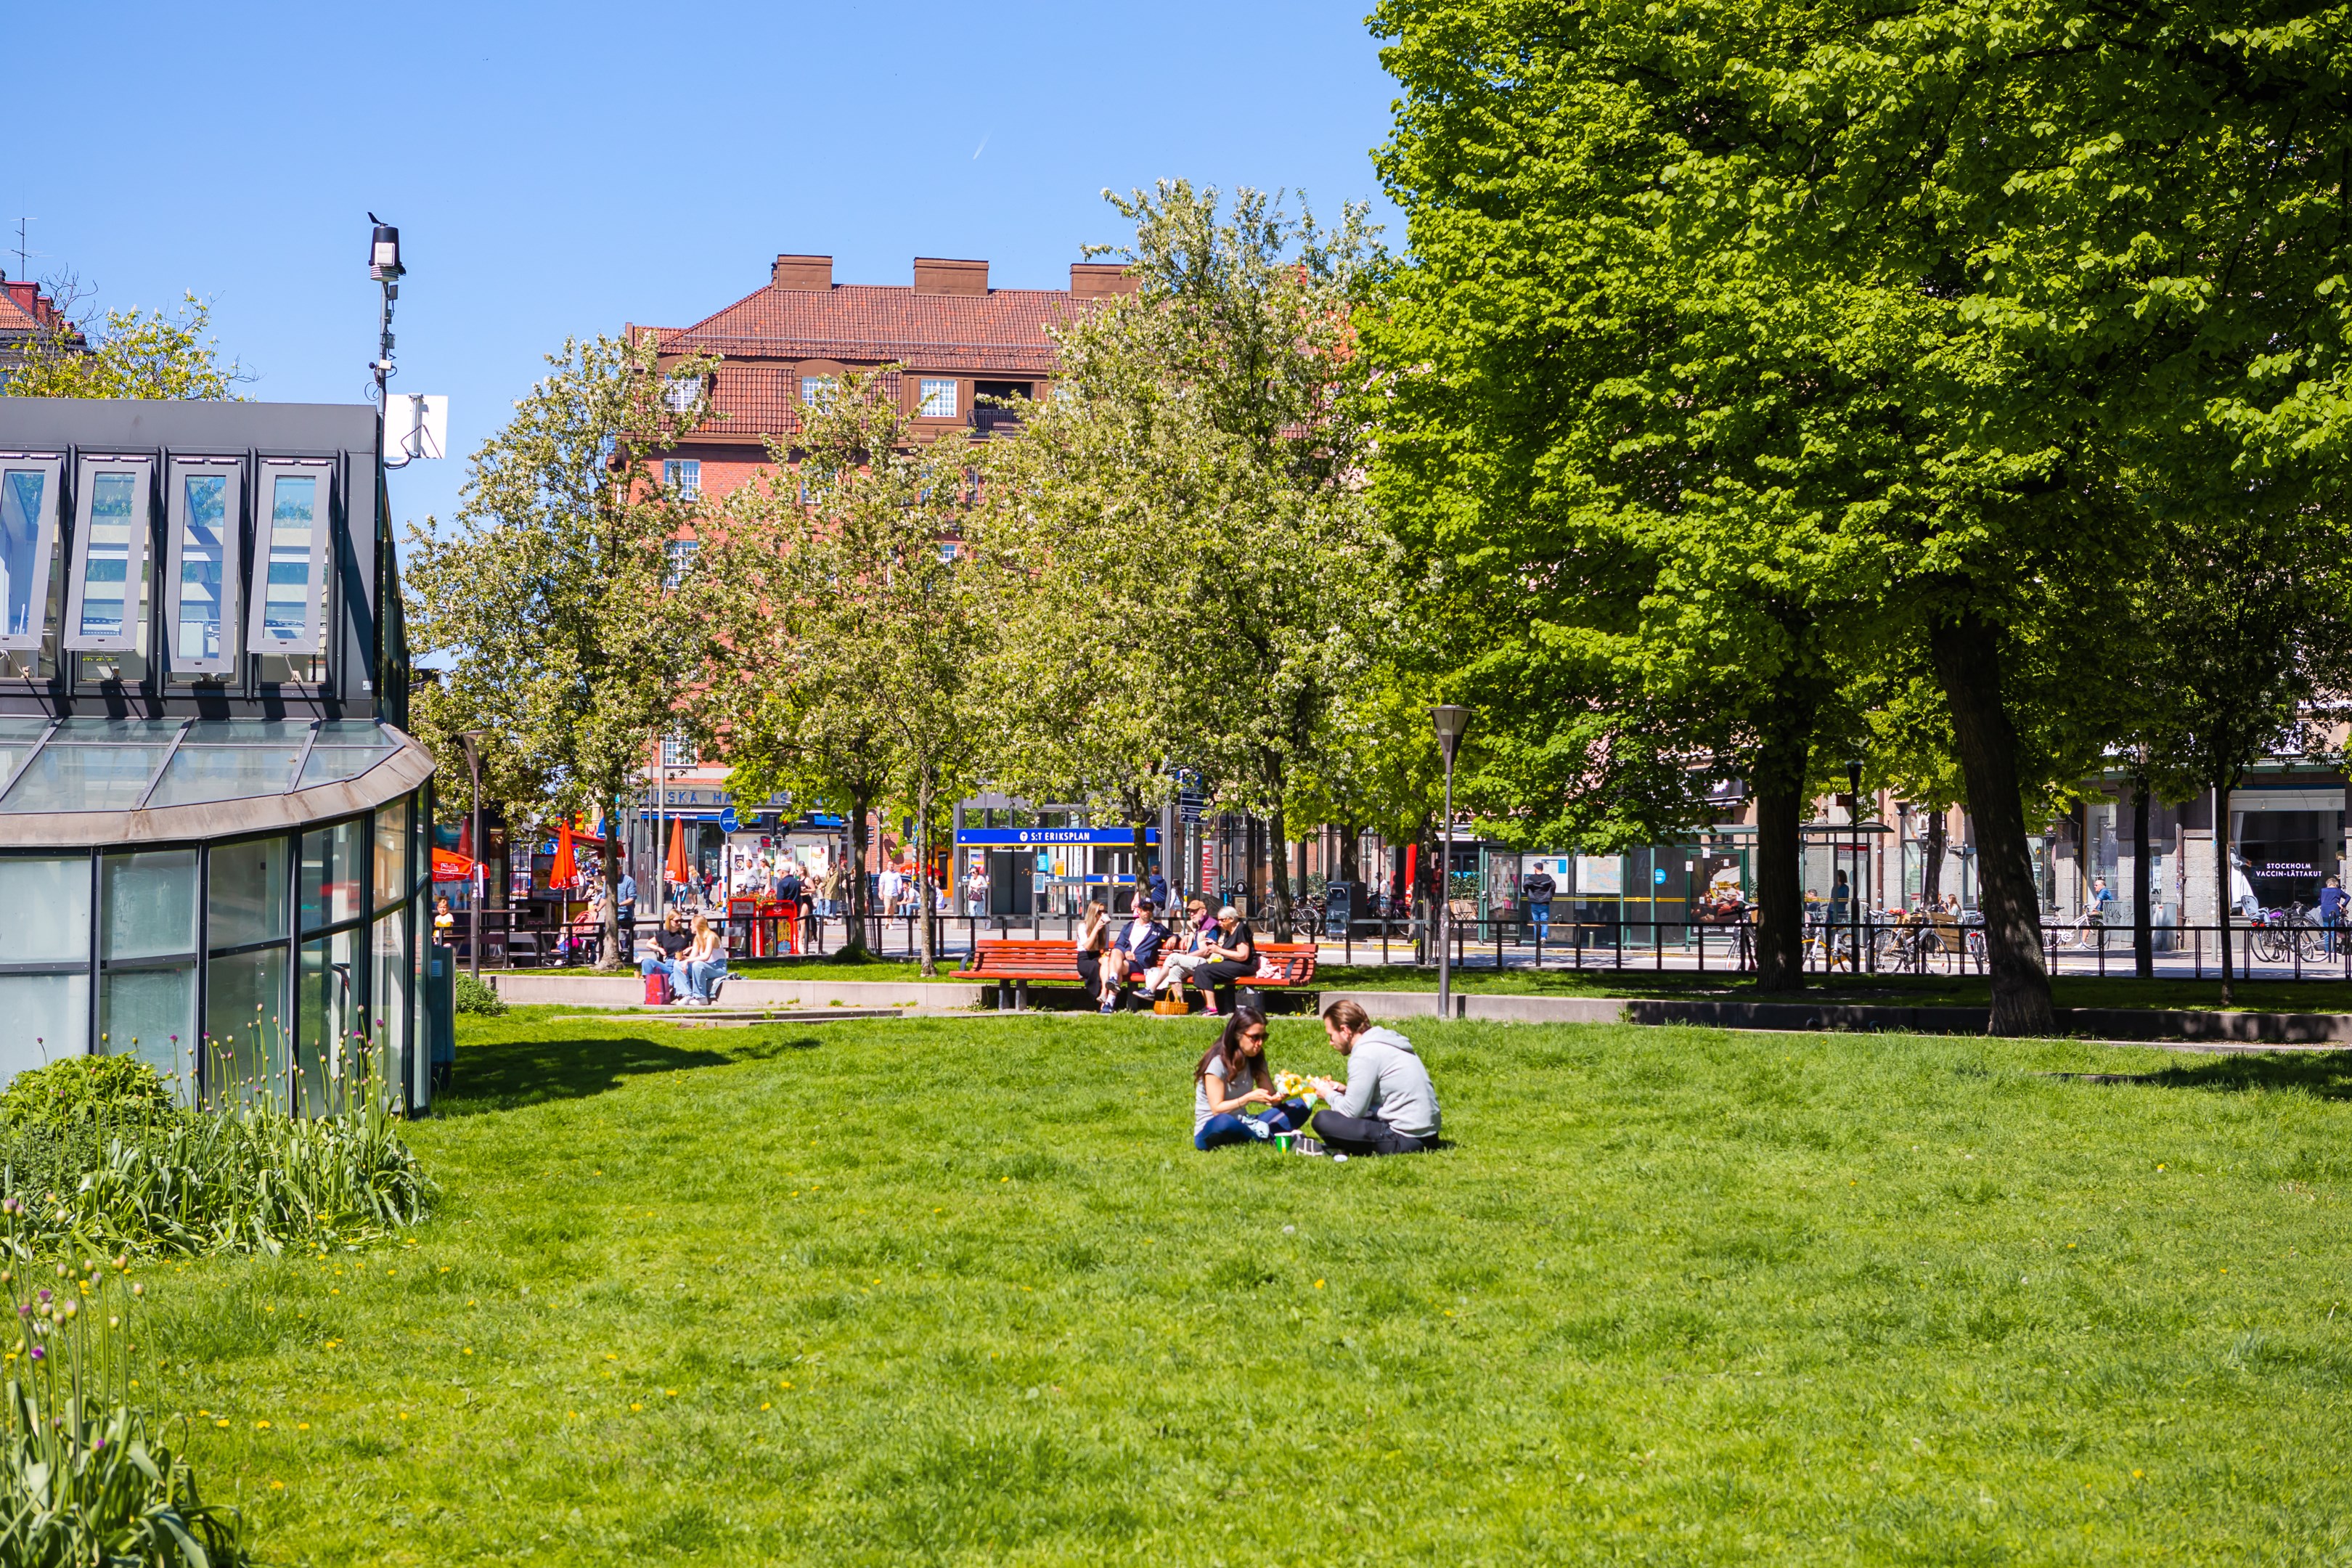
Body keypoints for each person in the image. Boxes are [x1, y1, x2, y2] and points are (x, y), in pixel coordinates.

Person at [1305, 1000, 1442, 1156]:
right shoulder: (1384, 1041)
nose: (1330, 1042)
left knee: (1323, 1120)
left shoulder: (1365, 1053)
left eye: (1331, 1035)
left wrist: (1328, 1094)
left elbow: (1351, 1112)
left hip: (1406, 1138)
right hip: (1429, 1134)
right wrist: (1346, 1091)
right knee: (1363, 1114)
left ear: (1345, 1030)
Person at [1193, 1008, 1312, 1150]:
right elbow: (1217, 1109)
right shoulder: (1218, 1063)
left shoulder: (1256, 1059)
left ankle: (1257, 1136)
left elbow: (1272, 1099)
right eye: (1255, 1037)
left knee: (1301, 1106)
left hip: (1245, 1123)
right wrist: (1248, 1098)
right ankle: (1266, 1138)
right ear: (1238, 1035)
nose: (1260, 1043)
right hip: (1212, 1127)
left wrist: (1280, 1095)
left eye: (1264, 1037)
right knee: (1224, 1122)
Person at [1099, 897, 1172, 1013]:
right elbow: (1119, 943)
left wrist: (1174, 938)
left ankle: (1109, 1003)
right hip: (1124, 961)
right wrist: (1127, 952)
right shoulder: (1129, 926)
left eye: (1150, 909)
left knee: (1115, 964)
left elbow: (1172, 935)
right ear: (1139, 910)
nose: (1147, 911)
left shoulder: (1157, 928)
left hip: (1140, 962)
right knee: (1116, 952)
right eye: (1145, 909)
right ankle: (1111, 987)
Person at [1191, 905, 1259, 1017]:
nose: (1219, 923)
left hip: (1245, 965)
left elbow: (1243, 956)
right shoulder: (1228, 930)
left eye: (1222, 920)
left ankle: (1212, 1008)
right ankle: (1209, 1006)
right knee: (1200, 969)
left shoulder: (1241, 929)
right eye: (1218, 920)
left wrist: (1219, 950)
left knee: (1204, 970)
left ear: (1232, 919)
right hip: (1232, 963)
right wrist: (1215, 947)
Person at [1143, 896, 1217, 999]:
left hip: (1205, 963)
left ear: (1203, 911)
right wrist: (1188, 936)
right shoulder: (1196, 927)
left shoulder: (1211, 926)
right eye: (1190, 912)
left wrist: (1186, 957)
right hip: (1192, 963)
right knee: (1174, 972)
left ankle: (1151, 989)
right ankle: (1180, 1006)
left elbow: (1206, 951)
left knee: (1174, 957)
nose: (1191, 914)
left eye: (1194, 911)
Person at [637, 909, 693, 998]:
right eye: (676, 921)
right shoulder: (664, 934)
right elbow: (649, 943)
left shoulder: (686, 933)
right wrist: (659, 948)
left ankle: (663, 989)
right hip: (668, 964)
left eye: (681, 921)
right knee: (646, 962)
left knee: (678, 969)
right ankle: (650, 985)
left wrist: (691, 948)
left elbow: (700, 943)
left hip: (680, 963)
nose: (679, 923)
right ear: (670, 921)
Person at [680, 914, 729, 1005]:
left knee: (698, 964)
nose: (690, 927)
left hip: (718, 968)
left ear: (697, 925)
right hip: (706, 966)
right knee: (678, 965)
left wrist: (688, 961)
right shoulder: (697, 938)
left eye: (691, 924)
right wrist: (684, 958)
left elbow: (705, 957)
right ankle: (686, 994)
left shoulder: (711, 936)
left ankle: (701, 997)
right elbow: (693, 957)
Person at [1074, 899, 1110, 1003]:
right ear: (1093, 913)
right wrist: (1096, 929)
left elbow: (1106, 948)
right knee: (1096, 968)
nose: (1102, 914)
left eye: (1104, 912)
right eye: (1100, 912)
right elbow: (1087, 946)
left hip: (1097, 955)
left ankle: (1104, 993)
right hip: (1085, 958)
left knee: (1106, 962)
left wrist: (1107, 954)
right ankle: (1097, 998)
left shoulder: (1105, 927)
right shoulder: (1083, 926)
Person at [1521, 862, 1556, 942]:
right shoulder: (1547, 877)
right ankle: (1543, 937)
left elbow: (1525, 885)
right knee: (1544, 921)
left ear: (1536, 869)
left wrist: (1529, 893)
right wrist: (1550, 894)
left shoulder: (1531, 878)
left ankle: (1537, 938)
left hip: (1534, 902)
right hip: (1545, 902)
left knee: (1536, 922)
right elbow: (1553, 885)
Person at [2322, 874, 2346, 957]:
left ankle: (2327, 950)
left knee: (2326, 931)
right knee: (2332, 930)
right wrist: (2342, 905)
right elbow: (2348, 897)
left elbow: (2319, 900)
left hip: (2324, 910)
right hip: (2334, 910)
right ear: (2335, 884)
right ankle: (2332, 950)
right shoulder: (2337, 890)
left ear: (2328, 884)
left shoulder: (2323, 890)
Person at [616, 870, 637, 955]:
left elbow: (632, 899)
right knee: (609, 940)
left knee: (625, 944)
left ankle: (627, 958)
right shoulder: (608, 881)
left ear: (619, 868)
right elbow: (604, 897)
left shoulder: (628, 881)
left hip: (625, 916)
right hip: (611, 917)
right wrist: (597, 908)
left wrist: (619, 905)